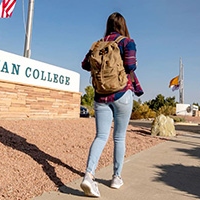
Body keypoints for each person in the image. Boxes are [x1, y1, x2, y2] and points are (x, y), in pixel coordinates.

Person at [80, 12, 138, 197]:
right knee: (119, 138)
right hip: (122, 94)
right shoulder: (127, 42)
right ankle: (116, 177)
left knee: (101, 136)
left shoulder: (98, 44)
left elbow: (84, 65)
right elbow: (131, 66)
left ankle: (89, 175)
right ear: (123, 25)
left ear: (108, 25)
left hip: (101, 96)